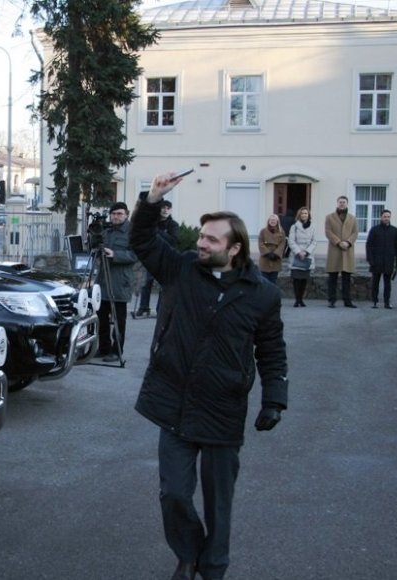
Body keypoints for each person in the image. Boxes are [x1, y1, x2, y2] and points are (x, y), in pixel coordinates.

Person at [130, 172, 288, 580]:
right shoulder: (181, 270)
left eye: (211, 239)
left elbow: (271, 351)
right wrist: (151, 200)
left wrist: (274, 399)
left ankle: (213, 567)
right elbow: (142, 242)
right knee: (174, 495)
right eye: (201, 236)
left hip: (222, 409)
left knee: (220, 501)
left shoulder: (262, 295)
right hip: (175, 403)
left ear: (234, 249)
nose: (200, 243)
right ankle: (188, 552)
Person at [96, 201, 137, 362]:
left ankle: (116, 350)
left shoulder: (132, 233)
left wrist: (115, 254)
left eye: (119, 214)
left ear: (126, 214)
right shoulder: (107, 231)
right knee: (101, 318)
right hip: (103, 280)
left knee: (119, 320)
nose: (116, 216)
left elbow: (134, 255)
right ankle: (103, 348)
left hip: (120, 282)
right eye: (113, 214)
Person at [135, 199, 180, 317]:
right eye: (163, 208)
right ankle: (143, 307)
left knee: (162, 285)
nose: (165, 210)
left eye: (168, 208)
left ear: (170, 210)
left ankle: (160, 309)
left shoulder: (173, 225)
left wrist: (158, 232)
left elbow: (173, 240)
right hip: (150, 257)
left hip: (166, 258)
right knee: (146, 283)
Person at [324, 195, 358, 307]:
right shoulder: (329, 217)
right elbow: (328, 232)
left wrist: (348, 242)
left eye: (344, 202)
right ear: (337, 203)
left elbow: (355, 233)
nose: (342, 204)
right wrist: (338, 242)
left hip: (347, 250)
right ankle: (332, 300)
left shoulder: (353, 218)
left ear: (347, 204)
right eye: (340, 202)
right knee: (332, 277)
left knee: (346, 278)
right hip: (335, 249)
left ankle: (347, 300)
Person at [365, 209, 397, 309]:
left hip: (388, 261)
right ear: (381, 217)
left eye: (388, 217)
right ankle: (375, 301)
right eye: (385, 216)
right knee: (375, 282)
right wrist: (370, 259)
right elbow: (369, 245)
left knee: (387, 283)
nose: (386, 218)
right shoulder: (375, 229)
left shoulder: (394, 230)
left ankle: (387, 302)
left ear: (390, 218)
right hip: (376, 261)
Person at [287, 206, 316, 307]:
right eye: (302, 213)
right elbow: (291, 241)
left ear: (308, 215)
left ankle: (301, 299)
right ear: (299, 215)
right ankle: (297, 299)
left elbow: (314, 241)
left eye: (306, 213)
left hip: (307, 256)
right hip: (297, 255)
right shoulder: (294, 227)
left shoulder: (313, 227)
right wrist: (299, 252)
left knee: (304, 279)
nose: (304, 215)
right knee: (296, 279)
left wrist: (306, 252)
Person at [258, 214, 286, 284]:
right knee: (264, 281)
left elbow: (282, 244)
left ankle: (272, 294)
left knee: (273, 281)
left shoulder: (281, 232)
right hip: (265, 258)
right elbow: (260, 243)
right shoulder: (263, 231)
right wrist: (268, 253)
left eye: (274, 220)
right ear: (268, 221)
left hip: (276, 259)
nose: (272, 221)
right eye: (271, 220)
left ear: (277, 221)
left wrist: (276, 254)